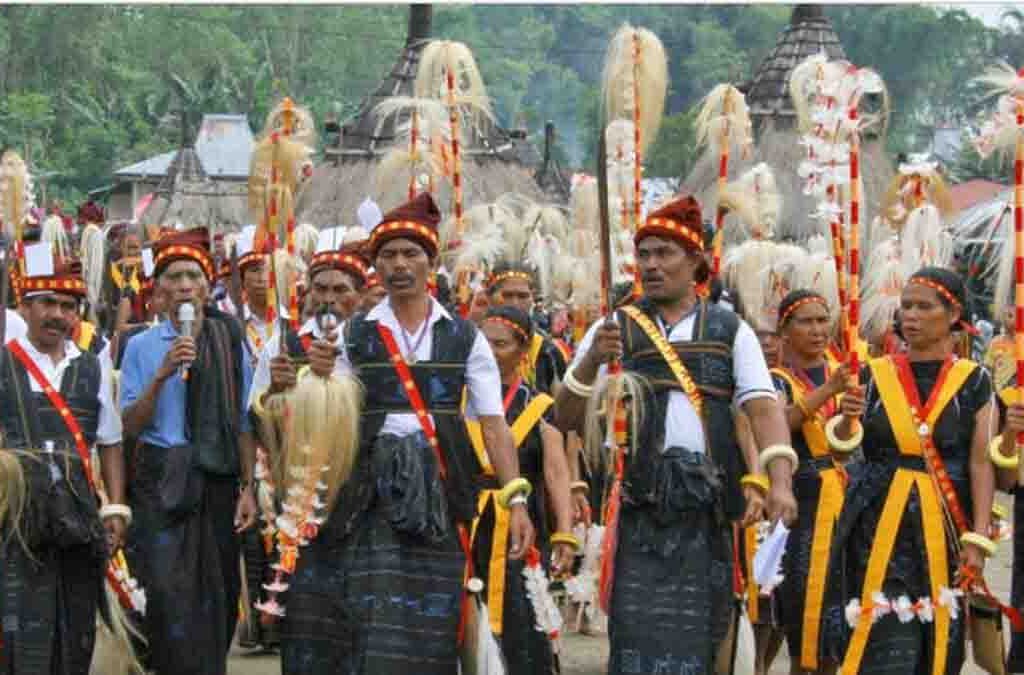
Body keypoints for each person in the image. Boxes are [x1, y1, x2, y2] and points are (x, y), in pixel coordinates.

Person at [275, 192, 534, 674]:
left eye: (410, 253)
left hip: (439, 496)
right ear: (375, 266)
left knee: (432, 627)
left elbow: (494, 426)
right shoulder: (352, 335)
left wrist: (515, 498)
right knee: (372, 621)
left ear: (431, 261)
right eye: (388, 255)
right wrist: (318, 379)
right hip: (368, 499)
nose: (399, 264)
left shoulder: (463, 336)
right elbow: (333, 424)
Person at [554, 195, 797, 674]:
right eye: (644, 254)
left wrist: (780, 480)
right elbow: (562, 416)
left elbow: (763, 408)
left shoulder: (730, 330)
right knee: (634, 636)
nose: (651, 265)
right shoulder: (615, 326)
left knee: (700, 632)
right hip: (638, 506)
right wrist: (590, 361)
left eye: (665, 253)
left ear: (695, 261)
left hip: (705, 506)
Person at [825, 267, 997, 674]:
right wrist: (848, 421)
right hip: (876, 521)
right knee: (879, 632)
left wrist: (978, 538)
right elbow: (841, 448)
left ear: (953, 314)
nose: (911, 316)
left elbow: (981, 462)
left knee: (938, 633)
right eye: (906, 307)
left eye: (924, 307)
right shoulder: (871, 374)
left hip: (944, 522)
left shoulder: (975, 381)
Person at [119, 227, 257, 675]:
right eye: (173, 278)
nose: (183, 286)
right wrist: (161, 375)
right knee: (164, 592)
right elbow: (129, 427)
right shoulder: (140, 345)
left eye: (192, 276)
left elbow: (242, 420)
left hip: (216, 479)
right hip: (160, 482)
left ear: (206, 286)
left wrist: (248, 487)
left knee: (216, 594)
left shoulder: (229, 339)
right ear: (157, 295)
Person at [0, 256, 126, 674]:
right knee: (19, 628)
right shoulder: (5, 364)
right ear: (25, 307)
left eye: (68, 306)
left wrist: (115, 509)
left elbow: (109, 441)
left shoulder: (92, 367)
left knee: (75, 629)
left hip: (77, 517)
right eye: (47, 302)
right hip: (17, 520)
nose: (57, 314)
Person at [470, 305, 575, 673]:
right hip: (465, 526)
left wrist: (564, 532)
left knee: (522, 625)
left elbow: (556, 472)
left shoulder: (539, 405)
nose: (489, 350)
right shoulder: (457, 399)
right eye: (482, 342)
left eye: (500, 343)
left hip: (519, 531)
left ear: (523, 349)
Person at [770, 290, 850, 674]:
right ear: (784, 331)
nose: (818, 330)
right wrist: (828, 392)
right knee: (807, 610)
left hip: (850, 502)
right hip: (803, 502)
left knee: (846, 612)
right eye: (806, 321)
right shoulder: (776, 379)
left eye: (823, 320)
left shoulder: (848, 371)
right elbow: (776, 425)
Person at [487, 261, 568, 394]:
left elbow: (561, 405)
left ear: (532, 298)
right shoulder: (472, 345)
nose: (515, 303)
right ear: (490, 297)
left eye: (523, 296)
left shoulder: (547, 350)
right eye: (507, 295)